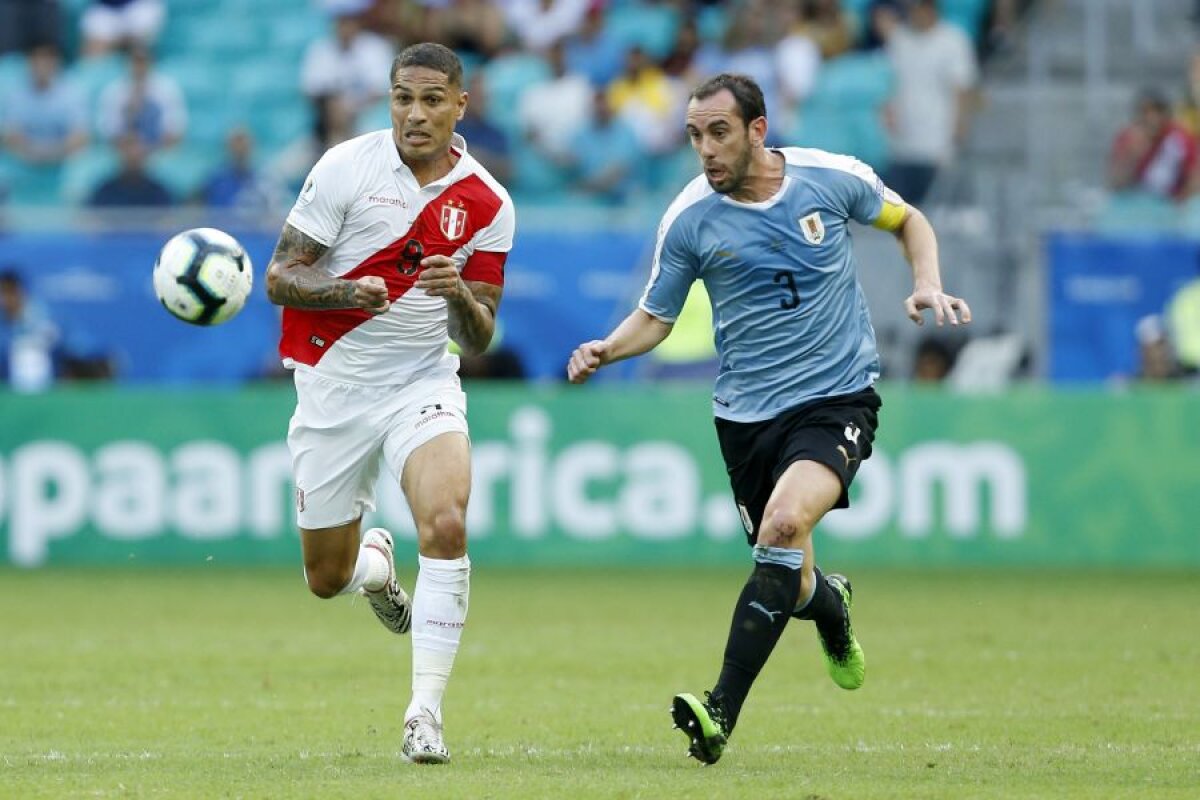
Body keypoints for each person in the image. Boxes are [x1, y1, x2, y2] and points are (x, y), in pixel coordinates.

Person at [566, 73, 970, 765]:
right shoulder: (690, 217)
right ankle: (831, 609)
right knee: (788, 570)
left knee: (784, 527)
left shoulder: (829, 178)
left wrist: (925, 281)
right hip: (747, 418)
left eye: (718, 132)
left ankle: (718, 710)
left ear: (758, 129)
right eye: (694, 136)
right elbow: (656, 318)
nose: (706, 150)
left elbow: (911, 221)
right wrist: (609, 346)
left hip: (836, 397)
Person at [264, 42, 515, 765]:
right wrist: (348, 291)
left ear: (460, 106)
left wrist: (458, 293)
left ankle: (424, 715)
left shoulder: (489, 204)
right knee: (326, 580)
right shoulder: (346, 166)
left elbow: (478, 337)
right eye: (403, 96)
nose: (415, 112)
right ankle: (374, 566)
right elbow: (281, 276)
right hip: (333, 388)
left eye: (432, 98)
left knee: (445, 520)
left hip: (421, 382)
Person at [1110, 87, 1198, 203]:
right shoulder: (1128, 138)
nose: (1153, 118)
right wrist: (1133, 154)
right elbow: (1115, 184)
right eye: (1146, 112)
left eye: (1158, 111)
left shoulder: (1181, 139)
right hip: (1134, 205)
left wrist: (1180, 202)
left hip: (1171, 206)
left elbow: (1195, 178)